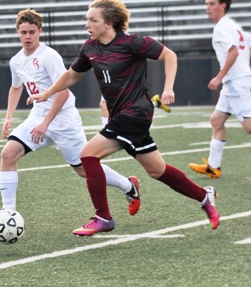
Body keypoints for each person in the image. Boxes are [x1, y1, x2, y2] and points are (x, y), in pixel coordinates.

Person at [28, 0, 219, 236]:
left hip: (136, 113)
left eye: (93, 20)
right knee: (157, 170)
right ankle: (204, 196)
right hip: (121, 115)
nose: (87, 24)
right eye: (87, 19)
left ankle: (103, 217)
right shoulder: (89, 48)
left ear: (109, 23)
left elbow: (169, 55)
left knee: (87, 155)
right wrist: (48, 92)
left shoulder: (133, 42)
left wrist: (168, 88)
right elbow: (71, 76)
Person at [0, 8, 141, 221]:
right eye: (23, 32)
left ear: (39, 31)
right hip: (38, 117)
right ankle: (8, 211)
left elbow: (64, 93)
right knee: (8, 154)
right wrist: (8, 118)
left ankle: (129, 185)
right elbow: (15, 88)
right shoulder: (16, 60)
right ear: (17, 33)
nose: (27, 37)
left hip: (64, 121)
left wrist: (46, 124)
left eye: (32, 32)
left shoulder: (49, 56)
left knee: (84, 170)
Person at [188, 0, 250, 178]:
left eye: (212, 3)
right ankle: (213, 167)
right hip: (233, 82)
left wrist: (219, 76)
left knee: (249, 127)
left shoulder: (223, 27)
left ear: (223, 6)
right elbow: (246, 48)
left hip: (237, 83)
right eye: (206, 3)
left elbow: (234, 52)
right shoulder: (230, 25)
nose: (207, 7)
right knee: (216, 121)